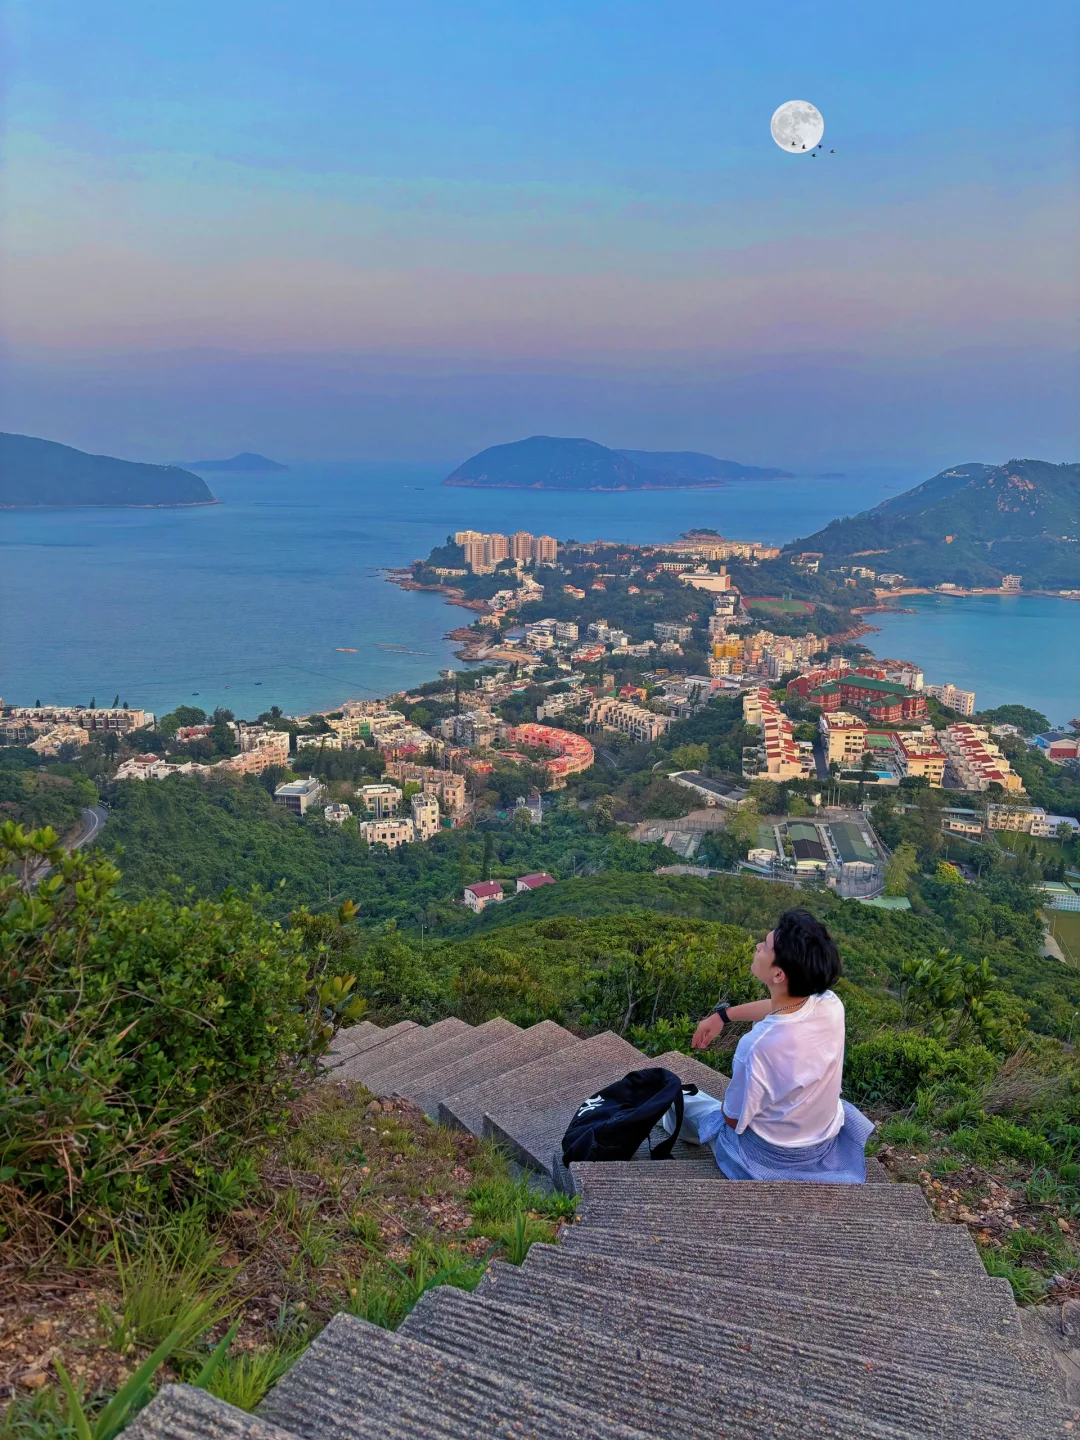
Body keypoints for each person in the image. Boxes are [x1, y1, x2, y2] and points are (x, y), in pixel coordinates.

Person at [663, 908, 873, 1182]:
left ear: (778, 975)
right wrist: (723, 1016)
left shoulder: (757, 1046)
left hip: (766, 1157)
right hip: (822, 1144)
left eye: (765, 946)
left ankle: (669, 1114)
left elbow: (733, 1121)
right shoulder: (830, 1005)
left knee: (681, 1103)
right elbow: (779, 1008)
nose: (758, 947)